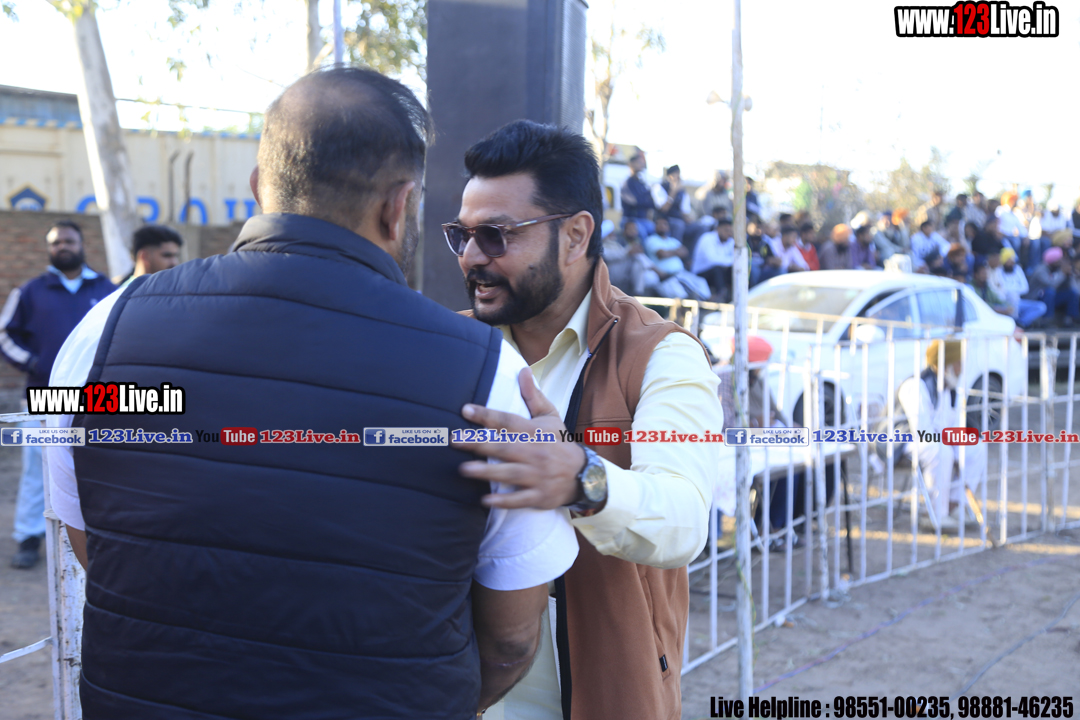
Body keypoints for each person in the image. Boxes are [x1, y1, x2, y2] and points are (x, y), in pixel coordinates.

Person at [44, 67, 578, 719]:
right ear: (399, 206)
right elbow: (513, 639)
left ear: (257, 187)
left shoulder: (100, 332)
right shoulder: (490, 375)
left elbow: (95, 542)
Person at [449, 119, 721, 720]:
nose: (471, 257)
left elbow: (683, 519)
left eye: (495, 235)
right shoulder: (448, 348)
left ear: (574, 236)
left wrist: (581, 478)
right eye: (461, 235)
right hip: (464, 696)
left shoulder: (661, 354)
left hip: (608, 696)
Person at [0, 220, 115, 569]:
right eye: (56, 242)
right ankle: (28, 537)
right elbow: (4, 335)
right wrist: (34, 363)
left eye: (68, 241)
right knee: (37, 471)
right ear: (49, 248)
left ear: (81, 245)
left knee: (92, 468)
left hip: (96, 400)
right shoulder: (30, 291)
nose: (62, 246)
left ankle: (96, 539)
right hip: (44, 397)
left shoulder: (106, 289)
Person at [897, 340, 987, 532]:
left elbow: (954, 426)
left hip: (935, 442)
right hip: (902, 441)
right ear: (945, 364)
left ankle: (954, 505)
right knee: (942, 451)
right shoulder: (917, 385)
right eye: (958, 363)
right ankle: (935, 514)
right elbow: (922, 432)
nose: (961, 369)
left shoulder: (950, 389)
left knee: (976, 447)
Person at [990, 248, 1045, 328]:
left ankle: (1020, 323)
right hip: (1004, 302)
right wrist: (1014, 290)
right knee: (1012, 297)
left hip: (1018, 302)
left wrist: (1012, 291)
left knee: (1041, 307)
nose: (1011, 263)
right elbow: (1002, 291)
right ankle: (1014, 323)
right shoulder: (998, 271)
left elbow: (1025, 288)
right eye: (1009, 260)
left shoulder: (1017, 269)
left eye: (1012, 260)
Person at [115, 224, 184, 285]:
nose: (174, 262)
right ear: (144, 256)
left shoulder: (178, 290)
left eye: (175, 256)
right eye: (167, 256)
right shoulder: (123, 293)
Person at [1029, 246, 1080, 327]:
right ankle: (1046, 320)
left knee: (1071, 293)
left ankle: (1071, 319)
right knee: (1050, 291)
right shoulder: (1040, 269)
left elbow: (1073, 288)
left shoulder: (1059, 269)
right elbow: (1051, 284)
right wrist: (1063, 273)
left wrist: (1071, 275)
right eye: (1060, 259)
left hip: (1052, 297)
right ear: (1054, 260)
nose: (1061, 262)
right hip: (1036, 298)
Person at [692, 216, 735, 301]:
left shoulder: (730, 241)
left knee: (735, 270)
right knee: (717, 270)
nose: (729, 233)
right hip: (701, 274)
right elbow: (712, 260)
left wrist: (730, 262)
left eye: (730, 231)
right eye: (726, 230)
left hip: (720, 272)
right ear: (718, 229)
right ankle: (721, 297)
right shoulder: (707, 238)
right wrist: (730, 261)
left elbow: (737, 259)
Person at [651, 165, 692, 241]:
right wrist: (673, 191)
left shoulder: (682, 191)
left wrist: (690, 220)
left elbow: (685, 212)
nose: (678, 178)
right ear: (669, 176)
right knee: (679, 225)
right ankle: (675, 247)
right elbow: (664, 208)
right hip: (664, 219)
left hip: (679, 219)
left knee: (700, 227)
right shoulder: (659, 187)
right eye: (675, 175)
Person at [619, 150, 654, 237]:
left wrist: (644, 201)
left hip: (643, 219)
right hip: (630, 220)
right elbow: (634, 202)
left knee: (655, 230)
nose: (641, 165)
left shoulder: (642, 183)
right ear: (631, 164)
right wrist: (644, 201)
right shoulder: (627, 183)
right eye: (639, 162)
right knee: (642, 233)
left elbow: (651, 202)